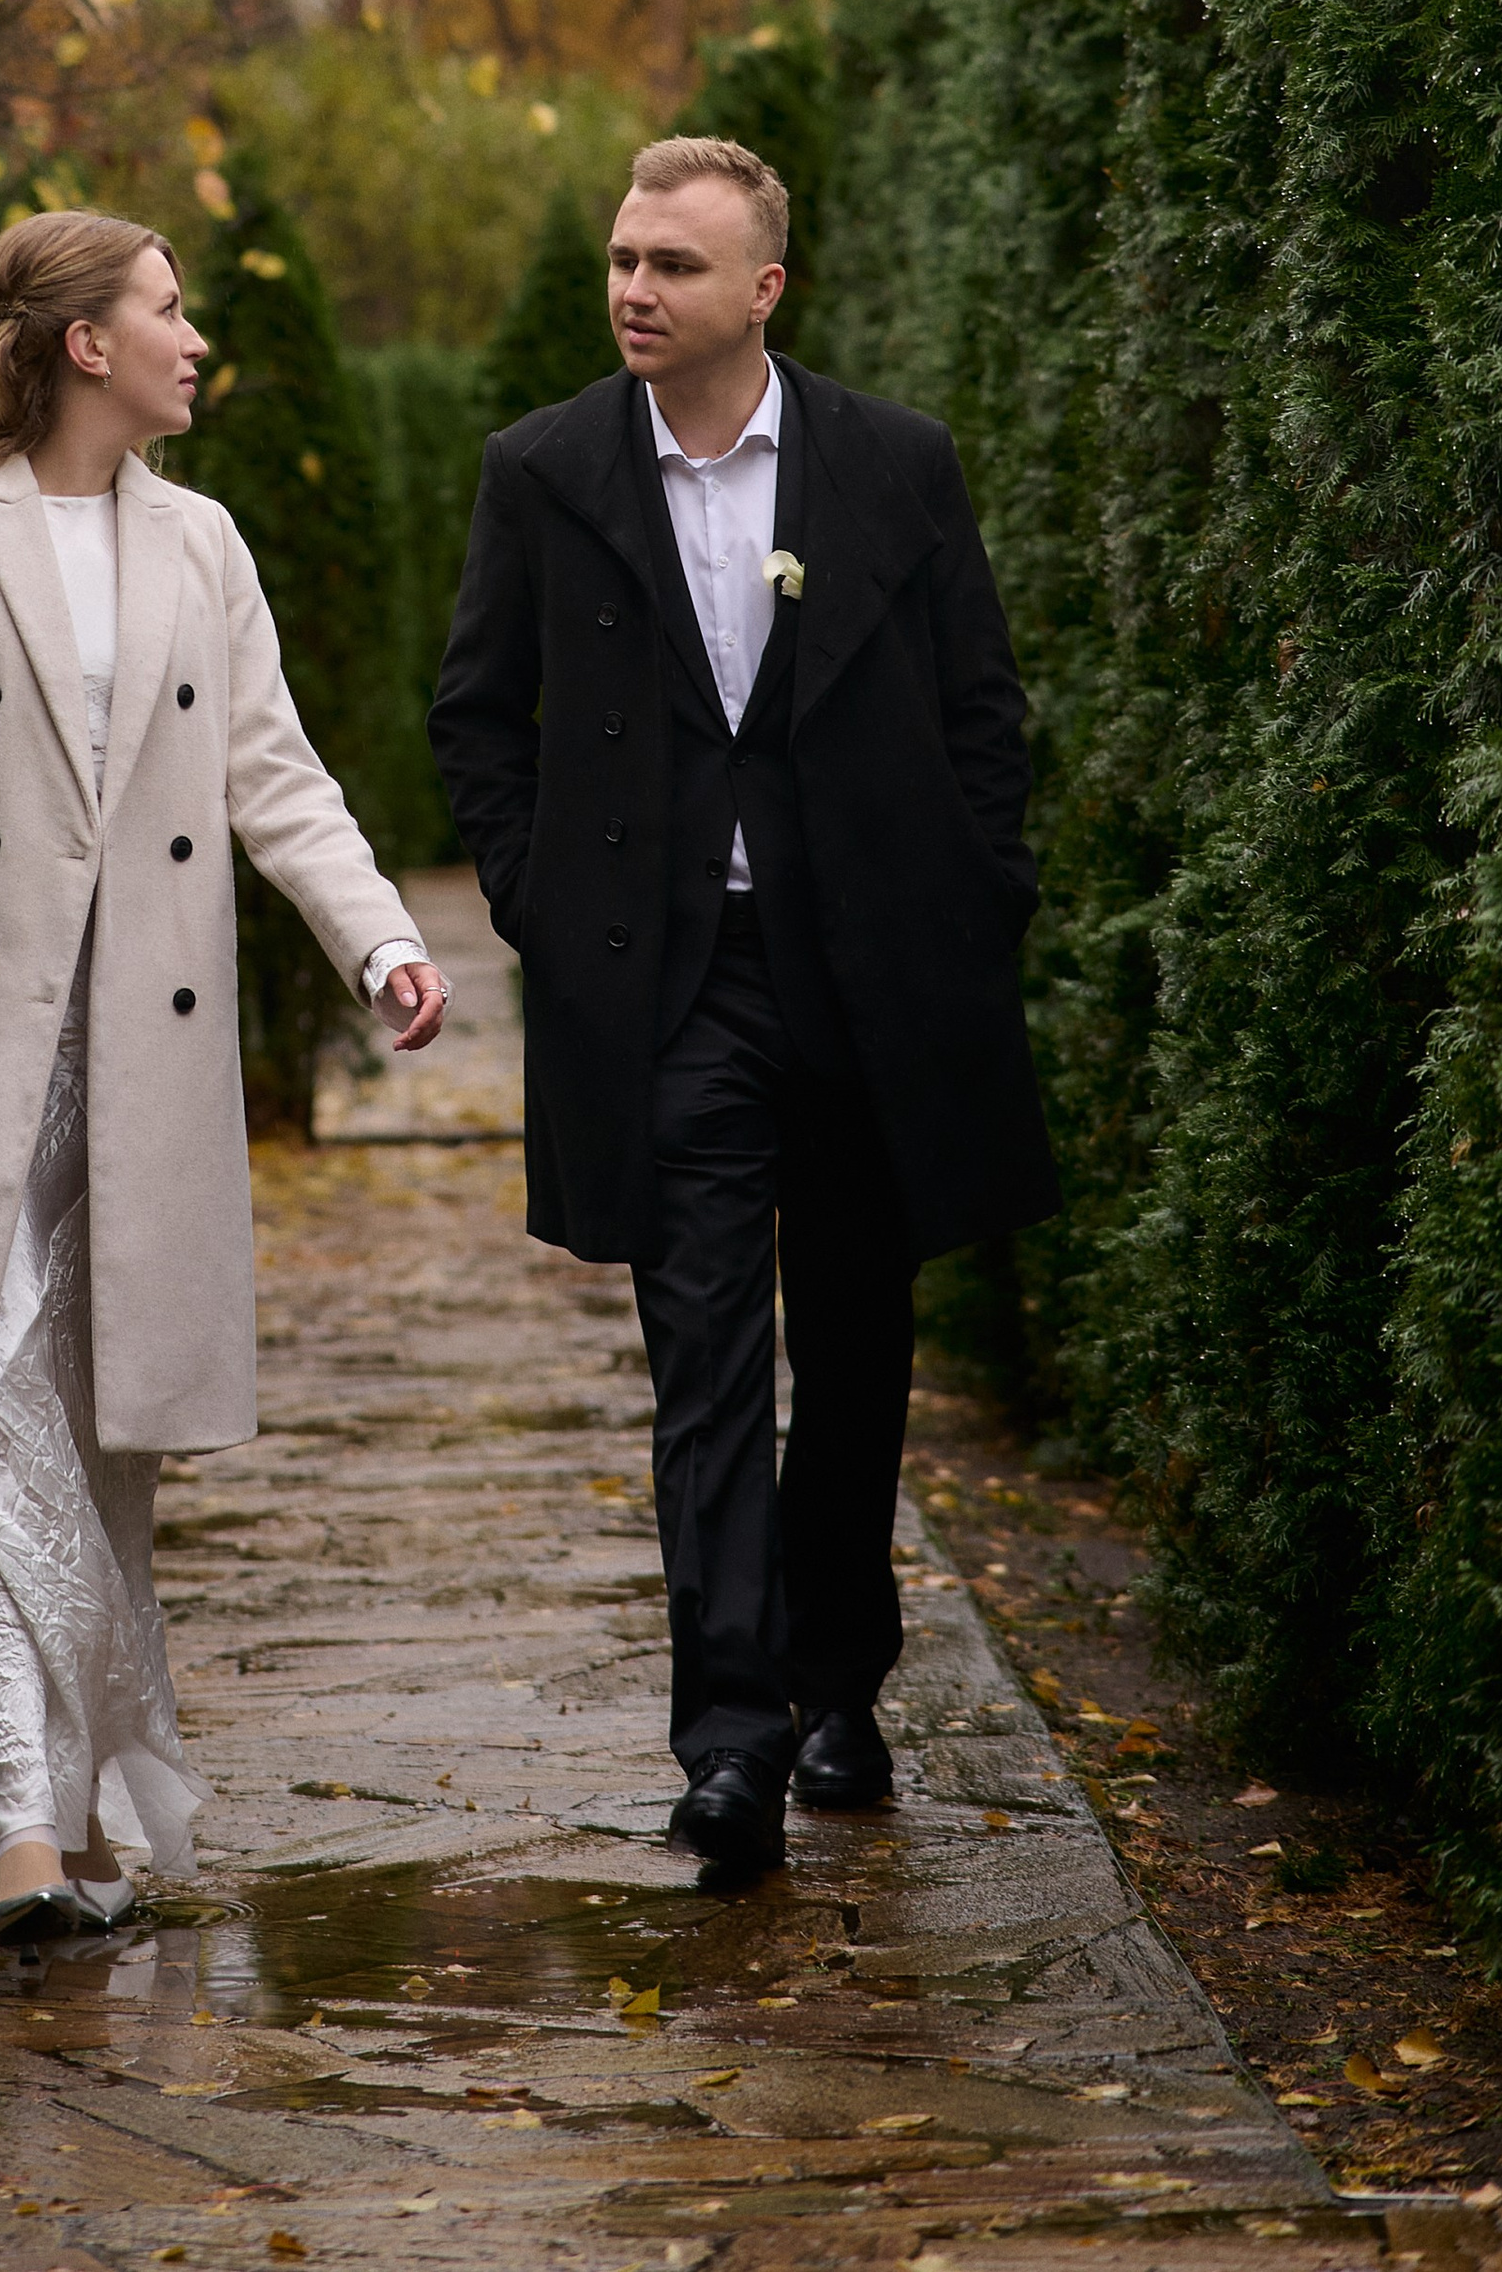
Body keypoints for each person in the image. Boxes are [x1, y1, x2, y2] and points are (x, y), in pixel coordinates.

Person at [0, 211, 450, 1946]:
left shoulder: (201, 543)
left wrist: (381, 940)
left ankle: (102, 1804)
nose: (199, 341)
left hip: (143, 1055)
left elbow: (276, 773)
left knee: (106, 1445)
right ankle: (20, 1832)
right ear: (83, 342)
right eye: (172, 311)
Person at [427, 134, 1054, 1890]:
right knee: (701, 1358)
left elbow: (983, 711)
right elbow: (479, 711)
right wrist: (545, 901)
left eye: (674, 265)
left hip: (870, 981)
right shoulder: (543, 470)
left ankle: (840, 1676)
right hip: (664, 993)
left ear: (762, 289)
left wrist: (973, 899)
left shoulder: (891, 465)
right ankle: (731, 1741)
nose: (635, 289)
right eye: (623, 258)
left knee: (854, 1353)